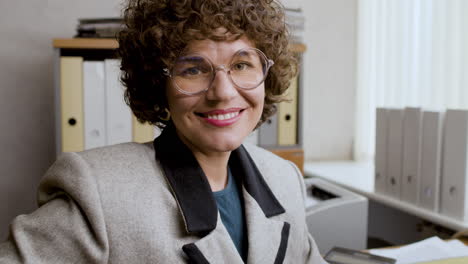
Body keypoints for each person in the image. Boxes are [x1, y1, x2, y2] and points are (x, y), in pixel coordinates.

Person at [0, 0, 326, 263]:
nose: (223, 92)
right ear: (159, 84)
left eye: (242, 64)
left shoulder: (284, 178)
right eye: (194, 69)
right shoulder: (98, 191)